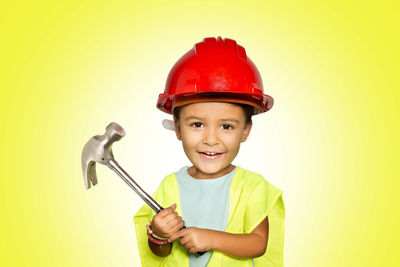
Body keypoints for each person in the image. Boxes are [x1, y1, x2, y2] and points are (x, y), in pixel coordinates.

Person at [134, 37, 285, 267]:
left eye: (226, 126)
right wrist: (159, 235)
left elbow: (258, 243)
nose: (211, 140)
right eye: (197, 124)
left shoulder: (253, 187)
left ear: (245, 130)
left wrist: (210, 238)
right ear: (177, 128)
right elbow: (160, 253)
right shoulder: (169, 187)